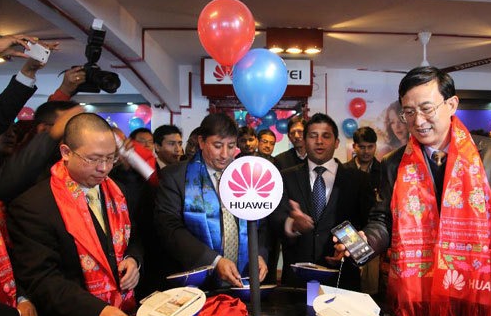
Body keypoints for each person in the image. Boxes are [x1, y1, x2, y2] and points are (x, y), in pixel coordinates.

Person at [336, 67, 491, 316]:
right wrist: (366, 240)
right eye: (409, 112)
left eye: (426, 108)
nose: (418, 120)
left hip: (476, 303)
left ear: (451, 105)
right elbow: (383, 220)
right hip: (419, 302)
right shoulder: (394, 163)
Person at [8, 113, 143, 316]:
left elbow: (135, 237)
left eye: (110, 158)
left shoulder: (117, 191)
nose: (104, 169)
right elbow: (41, 278)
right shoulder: (34, 205)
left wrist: (134, 260)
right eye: (93, 159)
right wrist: (95, 311)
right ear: (66, 152)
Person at [155, 113, 267, 288]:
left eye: (231, 146)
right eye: (217, 146)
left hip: (243, 278)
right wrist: (214, 261)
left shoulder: (245, 174)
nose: (224, 154)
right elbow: (170, 228)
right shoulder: (175, 176)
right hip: (196, 280)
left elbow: (261, 221)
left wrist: (258, 254)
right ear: (201, 142)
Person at [268, 113, 374, 290]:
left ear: (337, 142)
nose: (319, 141)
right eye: (313, 136)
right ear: (304, 140)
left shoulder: (358, 180)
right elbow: (274, 219)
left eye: (326, 136)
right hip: (298, 280)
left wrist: (350, 248)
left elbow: (368, 224)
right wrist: (292, 224)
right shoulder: (286, 177)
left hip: (342, 278)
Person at [343, 126, 381, 295]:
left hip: (373, 232)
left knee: (371, 286)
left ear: (375, 146)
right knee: (349, 283)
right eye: (362, 146)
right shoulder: (344, 171)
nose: (366, 151)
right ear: (355, 147)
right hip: (348, 231)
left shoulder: (383, 171)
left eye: (370, 146)